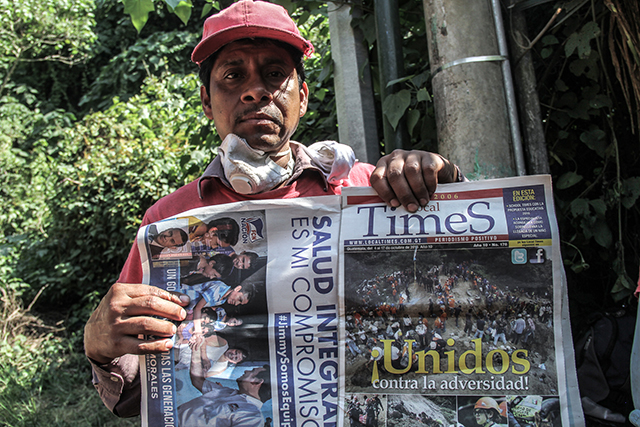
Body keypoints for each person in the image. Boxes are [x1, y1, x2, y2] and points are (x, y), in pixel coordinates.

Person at [83, 0, 465, 417]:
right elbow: (142, 388)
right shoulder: (169, 222)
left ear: (301, 96)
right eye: (232, 75)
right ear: (207, 102)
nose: (254, 90)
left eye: (274, 74)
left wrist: (440, 186)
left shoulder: (367, 188)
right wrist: (101, 348)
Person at [178, 336, 269, 427]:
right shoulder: (229, 392)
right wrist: (196, 350)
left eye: (252, 372)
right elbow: (197, 380)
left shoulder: (252, 416)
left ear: (257, 382)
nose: (246, 371)